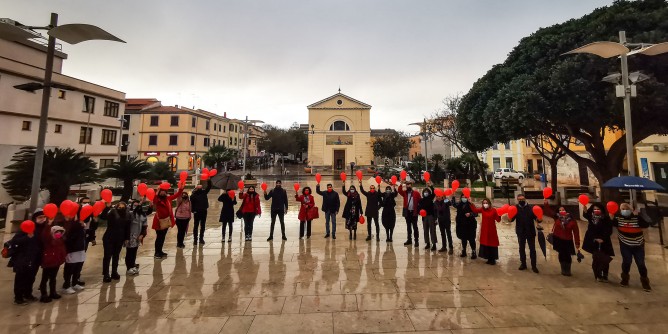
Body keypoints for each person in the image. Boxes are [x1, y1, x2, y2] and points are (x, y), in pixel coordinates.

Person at [613, 203, 651, 291]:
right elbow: (611, 223)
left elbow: (645, 225)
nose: (624, 210)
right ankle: (625, 279)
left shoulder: (636, 217)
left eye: (626, 208)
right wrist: (611, 216)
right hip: (625, 244)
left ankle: (645, 281)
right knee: (627, 261)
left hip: (638, 245)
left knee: (641, 263)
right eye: (622, 209)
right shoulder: (618, 218)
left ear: (630, 210)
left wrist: (638, 217)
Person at [7, 221, 40, 305]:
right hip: (21, 262)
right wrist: (27, 238)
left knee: (30, 279)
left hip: (32, 261)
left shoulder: (35, 234)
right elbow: (15, 244)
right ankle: (18, 298)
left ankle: (28, 294)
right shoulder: (20, 235)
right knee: (20, 280)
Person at [543, 202, 581, 276]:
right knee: (561, 254)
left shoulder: (572, 220)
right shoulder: (557, 218)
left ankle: (568, 269)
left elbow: (576, 232)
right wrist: (546, 204)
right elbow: (549, 212)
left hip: (568, 240)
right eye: (560, 210)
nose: (561, 211)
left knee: (567, 255)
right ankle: (563, 269)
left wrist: (577, 242)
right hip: (559, 239)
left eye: (563, 210)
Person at [582, 203, 614, 282]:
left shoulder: (606, 218)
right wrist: (595, 238)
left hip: (605, 241)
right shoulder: (591, 218)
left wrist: (603, 238)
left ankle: (605, 275)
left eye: (598, 209)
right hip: (595, 241)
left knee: (605, 258)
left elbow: (609, 230)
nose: (596, 211)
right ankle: (598, 274)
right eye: (594, 209)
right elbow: (590, 228)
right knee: (596, 258)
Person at [509, 194, 541, 273]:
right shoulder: (515, 208)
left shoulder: (531, 208)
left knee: (532, 249)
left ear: (525, 199)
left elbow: (537, 218)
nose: (521, 201)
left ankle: (534, 266)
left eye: (522, 199)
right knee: (521, 248)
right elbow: (511, 219)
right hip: (520, 232)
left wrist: (539, 220)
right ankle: (523, 264)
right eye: (519, 200)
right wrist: (509, 218)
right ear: (517, 200)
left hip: (530, 231)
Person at [152, 185, 184, 259]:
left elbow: (176, 195)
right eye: (161, 192)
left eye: (164, 192)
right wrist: (156, 193)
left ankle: (160, 251)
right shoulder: (158, 200)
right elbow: (154, 201)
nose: (163, 194)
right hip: (159, 222)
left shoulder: (168, 199)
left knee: (163, 237)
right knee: (159, 237)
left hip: (166, 221)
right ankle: (157, 253)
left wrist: (181, 189)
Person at [102, 202, 131, 282]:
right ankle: (106, 274)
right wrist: (107, 208)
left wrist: (127, 238)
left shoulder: (127, 215)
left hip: (120, 238)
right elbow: (103, 217)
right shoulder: (112, 212)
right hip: (109, 237)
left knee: (116, 256)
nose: (121, 209)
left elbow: (127, 228)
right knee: (107, 256)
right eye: (119, 207)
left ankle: (114, 272)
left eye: (123, 207)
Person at [38, 225, 66, 303]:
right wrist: (48, 225)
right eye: (57, 232)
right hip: (48, 262)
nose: (59, 233)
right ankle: (43, 294)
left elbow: (62, 251)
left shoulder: (61, 240)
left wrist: (62, 259)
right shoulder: (48, 240)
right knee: (45, 279)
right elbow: (45, 234)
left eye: (60, 232)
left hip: (56, 262)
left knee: (53, 278)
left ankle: (53, 292)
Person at [62, 210, 86, 294]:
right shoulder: (65, 223)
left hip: (80, 247)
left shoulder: (78, 223)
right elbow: (66, 236)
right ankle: (66, 285)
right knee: (70, 267)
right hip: (71, 249)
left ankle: (75, 282)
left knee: (78, 265)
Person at [470, 198, 501, 264]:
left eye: (486, 203)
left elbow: (498, 220)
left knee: (492, 244)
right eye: (484, 203)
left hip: (492, 230)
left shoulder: (494, 210)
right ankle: (488, 258)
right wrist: (471, 203)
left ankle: (493, 259)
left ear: (489, 204)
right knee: (486, 243)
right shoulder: (482, 209)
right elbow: (475, 210)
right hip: (484, 230)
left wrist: (500, 215)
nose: (485, 204)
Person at [126, 199, 151, 275]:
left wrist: (142, 235)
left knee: (134, 251)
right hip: (130, 236)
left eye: (137, 205)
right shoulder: (130, 214)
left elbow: (144, 226)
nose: (136, 207)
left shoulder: (142, 215)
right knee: (129, 252)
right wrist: (140, 204)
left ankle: (132, 265)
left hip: (138, 236)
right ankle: (129, 267)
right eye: (135, 205)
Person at [398, 181, 421, 248]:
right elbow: (399, 190)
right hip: (407, 212)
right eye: (407, 185)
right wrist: (401, 184)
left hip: (414, 213)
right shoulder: (404, 193)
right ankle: (409, 240)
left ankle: (416, 241)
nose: (408, 186)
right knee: (408, 227)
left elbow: (420, 201)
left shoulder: (416, 193)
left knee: (415, 227)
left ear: (411, 186)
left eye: (409, 185)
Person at [454, 195, 477, 259]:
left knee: (471, 239)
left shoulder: (471, 204)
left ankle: (474, 251)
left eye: (465, 197)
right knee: (463, 239)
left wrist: (470, 214)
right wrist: (453, 196)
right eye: (463, 197)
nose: (464, 198)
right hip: (462, 225)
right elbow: (453, 204)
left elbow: (476, 213)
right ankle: (464, 251)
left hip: (470, 225)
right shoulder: (459, 205)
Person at [190, 179, 212, 245]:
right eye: (198, 187)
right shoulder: (193, 195)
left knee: (202, 226)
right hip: (197, 212)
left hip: (203, 211)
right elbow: (192, 204)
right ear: (196, 188)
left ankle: (201, 238)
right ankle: (195, 239)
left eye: (201, 187)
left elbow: (209, 187)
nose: (200, 188)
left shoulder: (204, 192)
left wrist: (208, 180)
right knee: (196, 226)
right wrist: (193, 211)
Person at [417, 184, 437, 251]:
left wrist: (430, 186)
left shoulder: (430, 198)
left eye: (427, 192)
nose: (426, 193)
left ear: (429, 193)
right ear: (423, 193)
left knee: (432, 230)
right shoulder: (421, 200)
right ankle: (427, 243)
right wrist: (420, 211)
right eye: (425, 192)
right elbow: (418, 208)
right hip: (424, 217)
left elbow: (434, 192)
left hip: (431, 216)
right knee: (425, 230)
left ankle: (434, 244)